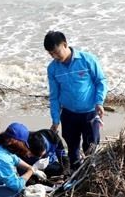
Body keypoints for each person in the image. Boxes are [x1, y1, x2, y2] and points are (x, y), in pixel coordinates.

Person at [44, 31, 107, 169]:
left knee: (91, 147)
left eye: (56, 52)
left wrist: (99, 102)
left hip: (90, 113)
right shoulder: (53, 68)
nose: (54, 56)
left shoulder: (87, 59)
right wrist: (55, 120)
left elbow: (100, 81)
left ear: (65, 44)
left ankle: (90, 172)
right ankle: (74, 174)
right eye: (50, 54)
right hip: (68, 114)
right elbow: (54, 96)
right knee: (72, 148)